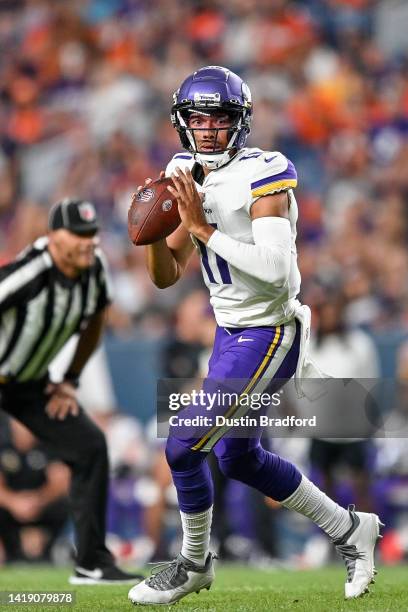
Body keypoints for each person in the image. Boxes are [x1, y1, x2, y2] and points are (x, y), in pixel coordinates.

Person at [128, 66, 383, 605]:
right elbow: (167, 272)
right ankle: (349, 529)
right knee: (238, 459)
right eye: (198, 119)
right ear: (182, 123)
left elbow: (279, 274)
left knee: (181, 447)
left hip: (269, 330)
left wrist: (202, 228)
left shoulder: (267, 171)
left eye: (220, 119)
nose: (209, 130)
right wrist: (153, 235)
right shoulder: (182, 169)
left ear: (239, 123)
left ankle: (194, 563)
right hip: (230, 332)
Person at [0, 198, 143, 585]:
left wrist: (71, 378)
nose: (87, 242)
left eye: (91, 233)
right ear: (52, 238)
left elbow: (96, 318)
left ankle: (92, 561)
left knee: (90, 446)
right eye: (77, 234)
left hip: (30, 382)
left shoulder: (94, 269)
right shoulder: (28, 274)